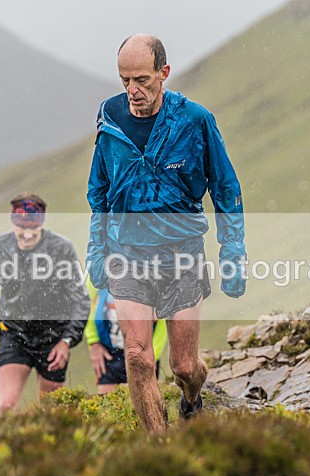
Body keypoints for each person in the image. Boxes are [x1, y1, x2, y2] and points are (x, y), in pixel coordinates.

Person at [86, 34, 246, 433]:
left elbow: (224, 188)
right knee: (137, 357)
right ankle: (160, 448)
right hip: (127, 252)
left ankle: (192, 399)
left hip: (182, 251)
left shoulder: (195, 121)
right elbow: (99, 191)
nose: (132, 91)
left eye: (142, 79)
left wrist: (233, 252)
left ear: (164, 73)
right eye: (124, 81)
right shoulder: (109, 119)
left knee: (184, 367)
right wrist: (96, 248)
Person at [0, 192, 90, 414]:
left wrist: (67, 341)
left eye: (34, 230)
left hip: (52, 337)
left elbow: (81, 299)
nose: (27, 235)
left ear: (42, 225)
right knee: (7, 406)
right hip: (14, 335)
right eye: (22, 230)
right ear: (13, 224)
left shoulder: (60, 248)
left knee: (50, 411)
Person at [85, 278, 168, 394]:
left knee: (145, 402)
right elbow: (89, 306)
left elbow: (163, 320)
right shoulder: (98, 267)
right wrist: (94, 343)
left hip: (145, 351)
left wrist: (152, 355)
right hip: (109, 351)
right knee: (107, 404)